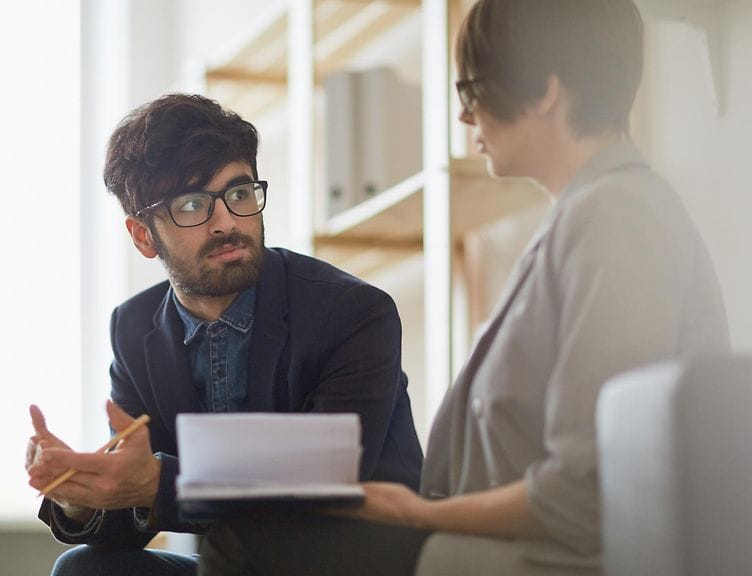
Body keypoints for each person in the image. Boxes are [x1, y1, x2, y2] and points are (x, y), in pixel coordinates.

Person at [198, 0, 731, 574]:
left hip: (537, 557)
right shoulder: (589, 215)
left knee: (245, 543)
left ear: (547, 90)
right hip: (496, 544)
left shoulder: (615, 218)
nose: (464, 117)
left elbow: (581, 492)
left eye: (472, 88)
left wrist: (415, 515)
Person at [24, 93, 425, 576]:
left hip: (351, 563)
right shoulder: (134, 330)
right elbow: (133, 516)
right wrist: (80, 498)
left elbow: (327, 474)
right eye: (192, 205)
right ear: (143, 236)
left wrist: (156, 480)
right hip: (232, 567)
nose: (227, 222)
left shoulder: (355, 312)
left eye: (238, 193)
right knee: (85, 569)